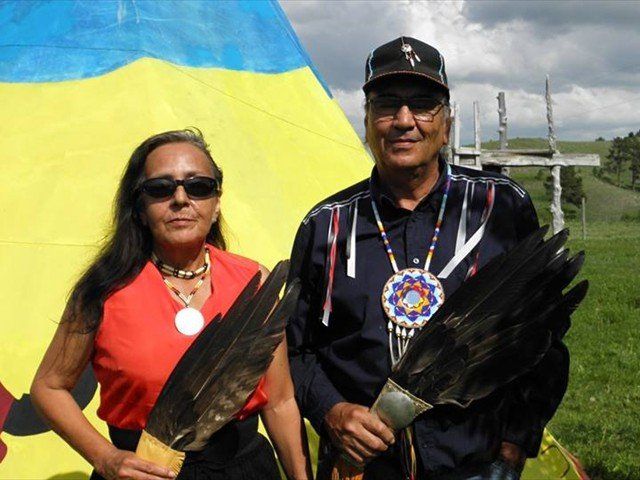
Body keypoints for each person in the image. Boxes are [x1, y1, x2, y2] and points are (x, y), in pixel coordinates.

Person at [287, 37, 569, 480]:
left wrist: (513, 446)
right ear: (366, 121)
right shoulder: (327, 226)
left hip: (473, 463)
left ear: (447, 123)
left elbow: (543, 337)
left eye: (423, 105)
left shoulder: (500, 208)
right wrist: (333, 411)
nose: (404, 121)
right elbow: (296, 350)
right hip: (362, 467)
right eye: (386, 105)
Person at [31, 129, 312, 480]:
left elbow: (280, 400)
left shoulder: (252, 281)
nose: (180, 198)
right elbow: (48, 387)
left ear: (216, 202)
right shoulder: (102, 290)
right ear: (140, 207)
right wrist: (105, 457)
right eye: (160, 189)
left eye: (198, 187)